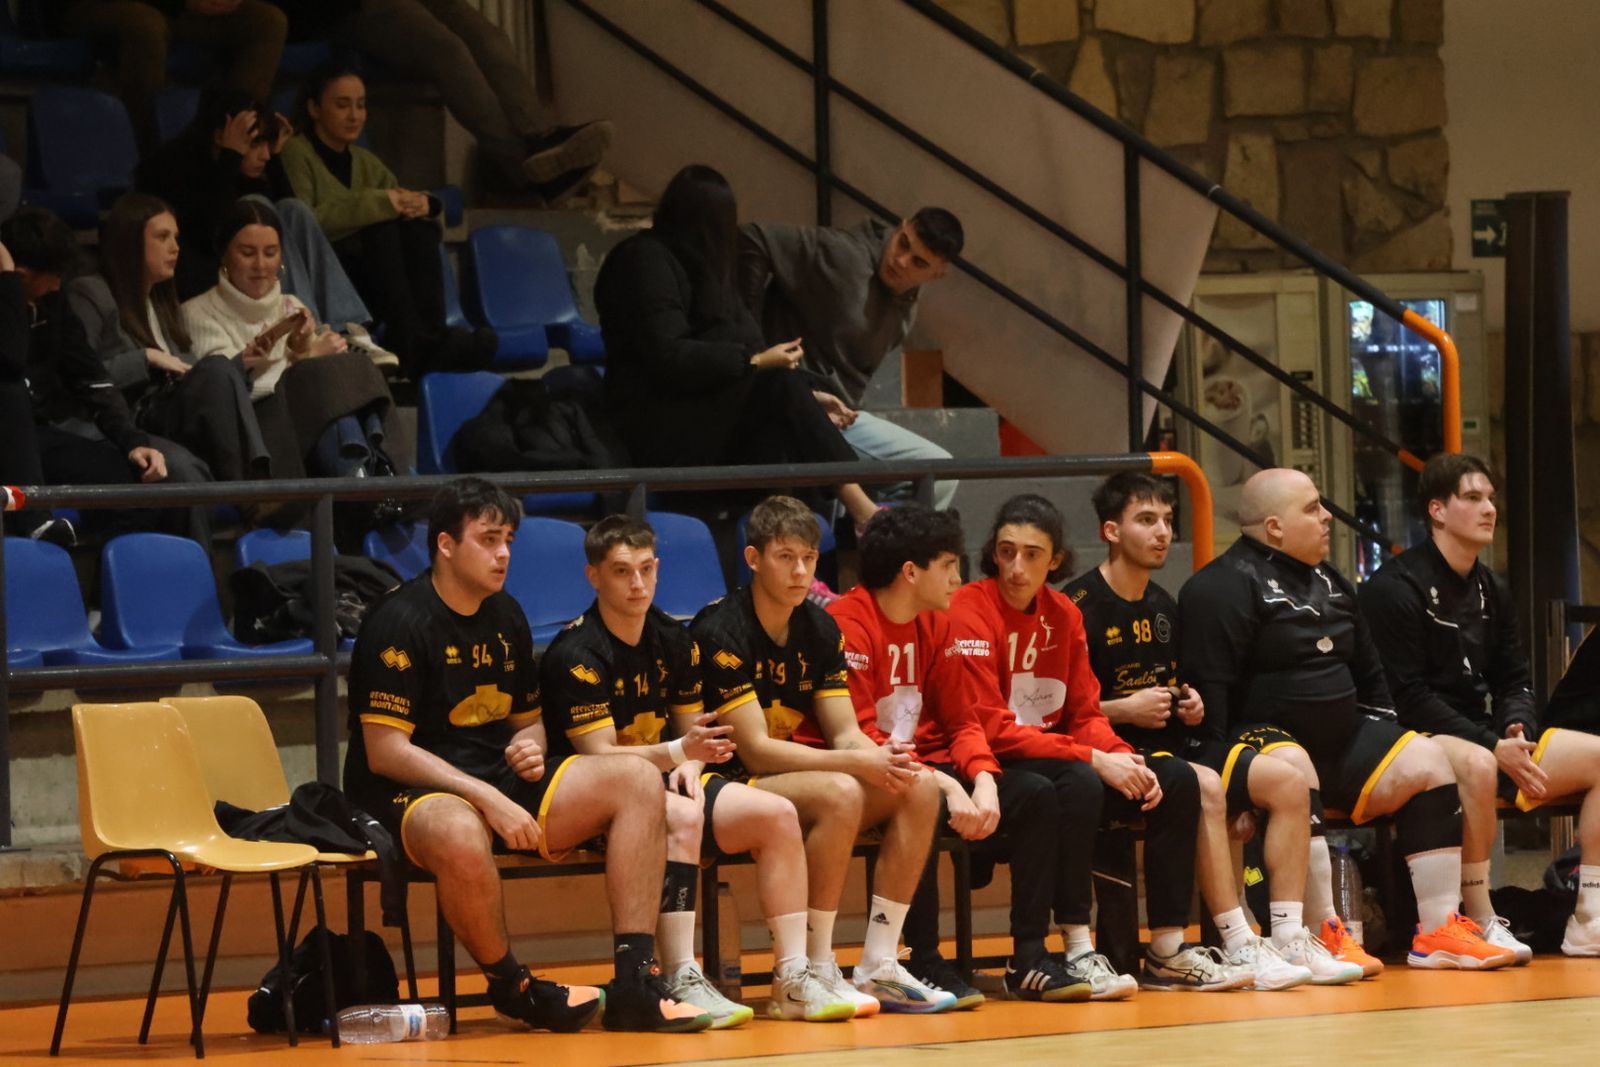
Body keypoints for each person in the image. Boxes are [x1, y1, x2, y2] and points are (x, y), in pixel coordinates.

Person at [343, 477, 713, 1033]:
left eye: (509, 539)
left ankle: (635, 980)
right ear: (446, 545)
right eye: (489, 539)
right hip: (410, 789)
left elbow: (530, 722)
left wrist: (532, 747)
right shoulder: (396, 623)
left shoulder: (506, 615)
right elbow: (386, 751)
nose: (504, 553)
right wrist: (487, 796)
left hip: (495, 778)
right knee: (459, 832)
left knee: (636, 778)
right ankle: (513, 986)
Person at [1179, 467, 1514, 970]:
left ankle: (1439, 930)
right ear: (1274, 527)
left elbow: (1372, 677)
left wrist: (1385, 734)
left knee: (1428, 760)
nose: (1326, 518)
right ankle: (1324, 933)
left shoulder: (1332, 579)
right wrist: (1235, 788)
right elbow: (1212, 694)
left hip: (1344, 740)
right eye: (1312, 508)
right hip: (1267, 740)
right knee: (1296, 766)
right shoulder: (1219, 588)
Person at [540, 515, 856, 1025]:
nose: (638, 583)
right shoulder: (576, 653)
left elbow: (694, 735)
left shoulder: (673, 639)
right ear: (593, 576)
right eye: (622, 572)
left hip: (668, 775)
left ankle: (794, 978)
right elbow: (597, 756)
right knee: (682, 818)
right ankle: (679, 973)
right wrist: (674, 755)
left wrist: (688, 759)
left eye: (646, 569)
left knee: (776, 814)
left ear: (659, 569)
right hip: (599, 797)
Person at [1065, 476, 1366, 986]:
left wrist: (1190, 704)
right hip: (1110, 755)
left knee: (1290, 784)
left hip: (1176, 747)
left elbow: (1180, 685)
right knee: (1202, 786)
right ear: (1111, 531)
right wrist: (1124, 709)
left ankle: (1288, 938)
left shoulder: (1165, 604)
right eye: (1146, 521)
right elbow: (1059, 711)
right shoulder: (1076, 606)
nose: (1162, 532)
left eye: (1167, 521)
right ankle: (1237, 941)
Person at [938, 497, 1244, 997]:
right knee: (1077, 781)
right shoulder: (969, 609)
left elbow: (1084, 713)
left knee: (1177, 780)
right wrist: (1094, 758)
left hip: (1060, 754)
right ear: (992, 553)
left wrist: (1120, 754)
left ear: (1055, 560)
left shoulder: (1064, 616)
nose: (1017, 567)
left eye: (1032, 555)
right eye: (1006, 552)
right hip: (1003, 762)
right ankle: (1078, 946)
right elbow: (986, 726)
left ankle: (1167, 949)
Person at [690, 496, 951, 1014]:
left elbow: (846, 732)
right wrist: (858, 762)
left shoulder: (820, 627)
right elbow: (757, 752)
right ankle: (813, 963)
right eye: (785, 557)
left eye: (808, 557)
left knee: (918, 785)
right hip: (725, 783)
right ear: (752, 558)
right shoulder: (720, 629)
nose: (801, 570)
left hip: (785, 778)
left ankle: (879, 964)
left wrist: (881, 756)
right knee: (838, 792)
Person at [859, 504, 1119, 1005]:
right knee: (924, 798)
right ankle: (922, 958)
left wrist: (979, 777)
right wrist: (952, 781)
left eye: (1031, 554)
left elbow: (962, 722)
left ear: (1055, 560)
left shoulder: (939, 623)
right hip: (878, 769)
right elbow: (860, 738)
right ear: (913, 573)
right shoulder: (858, 621)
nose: (960, 577)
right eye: (951, 565)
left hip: (939, 762)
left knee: (1043, 793)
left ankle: (1031, 956)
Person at [1361, 453, 1595, 957]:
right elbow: (1407, 697)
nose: (1489, 508)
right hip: (1417, 737)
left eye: (1490, 498)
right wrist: (1492, 744)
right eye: (1473, 498)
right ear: (1438, 511)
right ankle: (1480, 914)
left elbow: (1514, 677)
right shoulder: (1393, 588)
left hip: (1490, 737)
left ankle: (1589, 915)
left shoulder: (1492, 587)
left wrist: (1515, 727)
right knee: (1478, 763)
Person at [594, 165, 881, 533]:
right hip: (655, 426)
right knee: (778, 391)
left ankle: (798, 562)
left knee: (782, 422)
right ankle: (864, 513)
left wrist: (810, 395)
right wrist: (754, 363)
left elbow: (751, 345)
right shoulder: (642, 259)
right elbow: (669, 357)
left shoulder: (709, 270)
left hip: (703, 418)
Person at [1, 207, 212, 544]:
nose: (59, 284)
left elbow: (90, 377)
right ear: (21, 275)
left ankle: (106, 587)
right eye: (53, 274)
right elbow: (10, 362)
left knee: (134, 488)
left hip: (42, 435)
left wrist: (132, 441)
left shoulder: (52, 302)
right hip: (8, 440)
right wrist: (7, 287)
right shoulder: (12, 307)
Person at [739, 208, 964, 511]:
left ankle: (887, 545)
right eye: (903, 243)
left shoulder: (907, 305)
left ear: (936, 275)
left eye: (918, 262)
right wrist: (751, 347)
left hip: (840, 417)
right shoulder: (843, 253)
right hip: (793, 404)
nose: (901, 260)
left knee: (941, 473)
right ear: (901, 226)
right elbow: (753, 237)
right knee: (928, 472)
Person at [269, 0, 611, 199]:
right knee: (444, 47)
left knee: (483, 32)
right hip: (332, 8)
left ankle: (541, 136)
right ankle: (526, 167)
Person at [279, 62, 495, 377]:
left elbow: (397, 199)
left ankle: (428, 339)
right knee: (382, 230)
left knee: (419, 229)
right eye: (342, 105)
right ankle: (412, 344)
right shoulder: (296, 152)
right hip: (334, 276)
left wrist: (422, 203)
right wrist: (381, 203)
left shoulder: (366, 160)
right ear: (313, 108)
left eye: (361, 105)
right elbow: (306, 220)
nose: (354, 115)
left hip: (374, 274)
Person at [135, 89, 386, 359]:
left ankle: (346, 328)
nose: (265, 155)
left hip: (244, 274)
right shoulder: (171, 164)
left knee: (294, 209)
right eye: (255, 144)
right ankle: (306, 331)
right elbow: (208, 230)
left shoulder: (246, 167)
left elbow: (284, 217)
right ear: (220, 135)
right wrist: (231, 155)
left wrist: (276, 159)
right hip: (201, 275)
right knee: (258, 205)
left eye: (269, 145)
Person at [182, 199, 397, 479]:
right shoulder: (195, 313)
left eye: (270, 253)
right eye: (247, 253)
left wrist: (305, 348)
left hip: (308, 424)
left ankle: (371, 467)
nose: (260, 265)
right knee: (328, 380)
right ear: (224, 254)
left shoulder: (292, 305)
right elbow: (230, 394)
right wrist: (308, 359)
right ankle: (369, 474)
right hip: (253, 435)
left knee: (353, 374)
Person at [73, 192, 277, 485]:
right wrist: (145, 358)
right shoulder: (91, 292)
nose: (175, 248)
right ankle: (254, 490)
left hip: (166, 413)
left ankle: (256, 487)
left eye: (176, 237)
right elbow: (79, 376)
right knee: (185, 468)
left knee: (221, 367)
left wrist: (241, 362)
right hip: (124, 421)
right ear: (130, 241)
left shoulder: (161, 301)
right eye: (163, 237)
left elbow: (189, 372)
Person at [53, 0, 287, 152]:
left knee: (268, 21)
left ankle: (237, 144)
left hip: (178, 12)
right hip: (104, 7)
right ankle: (150, 158)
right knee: (146, 28)